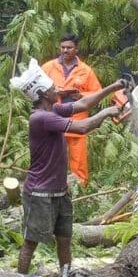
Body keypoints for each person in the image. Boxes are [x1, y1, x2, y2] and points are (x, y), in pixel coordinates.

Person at [12, 59, 123, 274]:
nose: (58, 89)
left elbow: (82, 105)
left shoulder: (53, 109)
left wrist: (112, 88)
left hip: (60, 191)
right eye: (54, 88)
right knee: (30, 242)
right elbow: (82, 127)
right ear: (44, 94)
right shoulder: (41, 118)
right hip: (40, 194)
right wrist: (107, 112)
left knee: (64, 239)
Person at [40, 33, 103, 186]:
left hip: (77, 122)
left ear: (76, 49)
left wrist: (82, 95)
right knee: (52, 158)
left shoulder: (86, 70)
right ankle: (50, 185)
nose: (65, 50)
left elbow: (98, 93)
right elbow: (37, 89)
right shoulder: (48, 67)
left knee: (79, 161)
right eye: (63, 47)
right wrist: (54, 91)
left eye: (69, 47)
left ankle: (80, 188)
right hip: (53, 120)